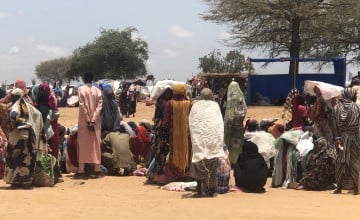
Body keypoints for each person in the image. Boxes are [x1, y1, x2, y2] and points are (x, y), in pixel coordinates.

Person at [189, 88, 226, 197]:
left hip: (199, 140)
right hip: (212, 140)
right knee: (212, 164)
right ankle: (212, 190)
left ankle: (199, 190)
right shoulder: (215, 106)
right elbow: (219, 123)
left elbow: (192, 122)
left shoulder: (195, 106)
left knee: (198, 163)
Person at [4, 88, 44, 188]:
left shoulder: (16, 106)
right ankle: (26, 181)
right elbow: (38, 115)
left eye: (13, 96)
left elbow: (14, 116)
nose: (11, 97)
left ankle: (16, 181)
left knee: (16, 159)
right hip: (27, 137)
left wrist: (20, 123)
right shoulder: (27, 105)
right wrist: (30, 125)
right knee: (26, 159)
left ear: (17, 96)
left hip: (17, 137)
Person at [332, 87, 360, 195]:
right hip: (354, 138)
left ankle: (339, 188)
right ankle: (356, 189)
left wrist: (337, 138)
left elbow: (334, 124)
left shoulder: (336, 107)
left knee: (340, 162)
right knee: (354, 162)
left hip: (341, 138)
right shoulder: (356, 107)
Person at [76, 72, 103, 179]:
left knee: (83, 145)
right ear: (92, 79)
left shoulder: (81, 89)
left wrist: (88, 120)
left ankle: (81, 169)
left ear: (83, 78)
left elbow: (82, 106)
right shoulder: (97, 90)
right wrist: (93, 120)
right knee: (95, 144)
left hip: (84, 121)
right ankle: (97, 169)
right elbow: (99, 107)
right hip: (95, 122)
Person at [224, 80, 247, 166]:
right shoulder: (241, 98)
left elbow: (229, 115)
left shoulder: (231, 99)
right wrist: (239, 121)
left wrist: (228, 126)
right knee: (237, 144)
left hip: (231, 127)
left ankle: (231, 161)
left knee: (230, 144)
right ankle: (237, 160)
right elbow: (244, 111)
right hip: (239, 127)